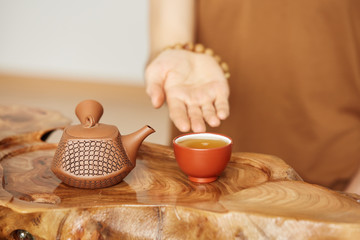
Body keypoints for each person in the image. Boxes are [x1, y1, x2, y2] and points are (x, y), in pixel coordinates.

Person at [144, 0, 360, 194]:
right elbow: (170, 28)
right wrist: (174, 54)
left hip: (336, 179)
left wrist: (351, 206)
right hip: (205, 177)